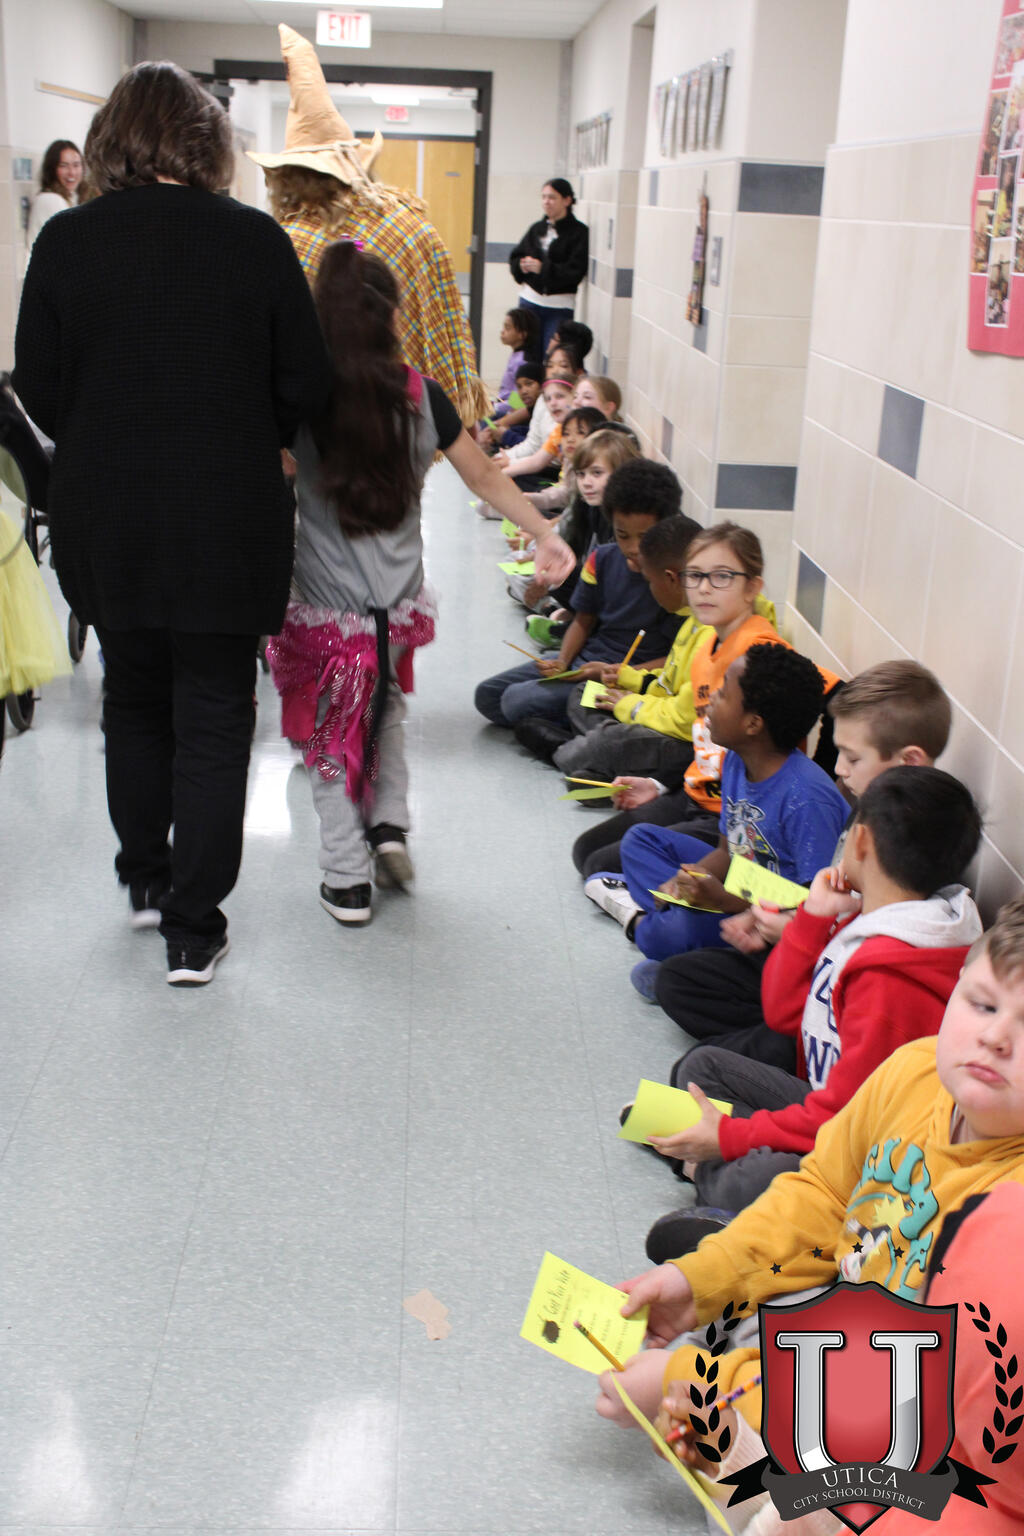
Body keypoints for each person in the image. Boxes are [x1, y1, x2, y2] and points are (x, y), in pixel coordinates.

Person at [13, 62, 333, 986]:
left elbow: (37, 383)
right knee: (216, 712)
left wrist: (104, 424)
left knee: (134, 697)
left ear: (110, 139)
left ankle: (147, 879)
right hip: (227, 512)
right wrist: (253, 428)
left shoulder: (68, 241)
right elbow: (305, 382)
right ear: (207, 143)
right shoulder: (255, 240)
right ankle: (194, 929)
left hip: (106, 509)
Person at [593, 896, 1024, 1526]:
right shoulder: (914, 1070)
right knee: (717, 1320)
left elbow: (911, 1394)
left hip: (907, 1409)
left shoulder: (1007, 1224)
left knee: (769, 1497)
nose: (994, 1037)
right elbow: (824, 1193)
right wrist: (702, 1280)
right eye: (982, 1004)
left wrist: (692, 1384)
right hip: (848, 1315)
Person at [267, 243, 573, 925]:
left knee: (329, 734)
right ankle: (389, 827)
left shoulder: (302, 398)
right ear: (390, 316)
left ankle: (346, 877)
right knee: (384, 711)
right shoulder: (421, 395)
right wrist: (546, 534)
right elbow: (485, 476)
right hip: (396, 607)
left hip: (326, 610)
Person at [641, 767, 982, 1243]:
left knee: (758, 1179)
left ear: (860, 840)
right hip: (827, 1106)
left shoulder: (891, 978)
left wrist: (730, 1138)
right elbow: (783, 1015)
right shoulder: (869, 918)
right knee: (703, 1067)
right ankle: (704, 1157)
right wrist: (813, 917)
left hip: (862, 1149)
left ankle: (706, 1173)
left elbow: (848, 1120)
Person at [653, 660, 954, 1062]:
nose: (838, 768)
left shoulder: (914, 841)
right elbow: (828, 902)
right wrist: (770, 920)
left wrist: (786, 926)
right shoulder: (863, 808)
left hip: (832, 993)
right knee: (678, 980)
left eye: (852, 758)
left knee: (703, 1063)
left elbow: (861, 943)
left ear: (909, 761)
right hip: (806, 959)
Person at [251, 25, 488, 426]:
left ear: (287, 177)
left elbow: (283, 345)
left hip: (329, 423)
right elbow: (443, 321)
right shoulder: (408, 223)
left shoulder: (292, 242)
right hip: (410, 412)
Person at [589, 646, 848, 986]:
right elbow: (727, 851)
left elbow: (812, 904)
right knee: (640, 841)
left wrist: (723, 901)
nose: (711, 698)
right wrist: (688, 878)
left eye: (724, 693)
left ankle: (647, 924)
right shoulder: (737, 759)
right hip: (742, 881)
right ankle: (675, 932)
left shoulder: (808, 798)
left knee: (676, 935)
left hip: (773, 916)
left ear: (753, 723)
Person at [573, 522, 785, 882]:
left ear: (752, 588)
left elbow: (768, 760)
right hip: (695, 794)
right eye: (695, 576)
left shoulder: (760, 653)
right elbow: (703, 741)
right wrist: (659, 785)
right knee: (585, 851)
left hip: (730, 818)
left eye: (721, 577)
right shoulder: (706, 645)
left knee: (601, 865)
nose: (703, 588)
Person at [474, 456, 682, 732]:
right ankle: (576, 720)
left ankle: (588, 721)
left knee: (516, 701)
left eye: (644, 537)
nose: (632, 547)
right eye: (623, 535)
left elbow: (677, 660)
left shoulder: (673, 580)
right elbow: (583, 620)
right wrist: (563, 661)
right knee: (488, 696)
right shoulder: (602, 559)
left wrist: (616, 673)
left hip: (622, 680)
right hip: (583, 664)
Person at [549, 510, 706, 783]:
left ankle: (575, 754)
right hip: (656, 712)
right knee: (585, 693)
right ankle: (599, 761)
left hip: (683, 740)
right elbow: (668, 684)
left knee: (609, 740)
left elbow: (684, 721)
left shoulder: (710, 633)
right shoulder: (690, 618)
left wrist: (630, 706)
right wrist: (629, 678)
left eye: (650, 582)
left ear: (670, 578)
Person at [510, 178, 589, 355]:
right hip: (530, 301)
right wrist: (521, 266)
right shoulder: (536, 229)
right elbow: (516, 256)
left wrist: (543, 269)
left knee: (552, 355)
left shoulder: (579, 233)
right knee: (527, 356)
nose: (546, 202)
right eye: (544, 197)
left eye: (552, 197)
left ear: (567, 200)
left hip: (559, 306)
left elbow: (574, 272)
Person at [27, 139, 83, 248]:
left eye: (76, 165)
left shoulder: (70, 197)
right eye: (63, 165)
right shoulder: (51, 199)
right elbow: (74, 243)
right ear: (52, 169)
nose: (72, 172)